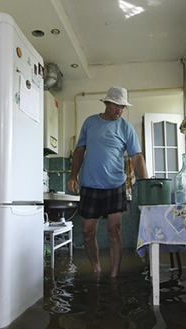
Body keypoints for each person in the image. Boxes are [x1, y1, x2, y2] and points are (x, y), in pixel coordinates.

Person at [66, 87, 148, 277]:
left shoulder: (126, 127)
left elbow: (137, 156)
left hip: (115, 186)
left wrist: (145, 184)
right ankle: (96, 269)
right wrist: (73, 176)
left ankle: (114, 276)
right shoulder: (90, 122)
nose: (119, 110)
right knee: (87, 232)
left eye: (123, 107)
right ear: (106, 103)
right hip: (90, 185)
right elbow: (79, 150)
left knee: (114, 231)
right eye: (116, 106)